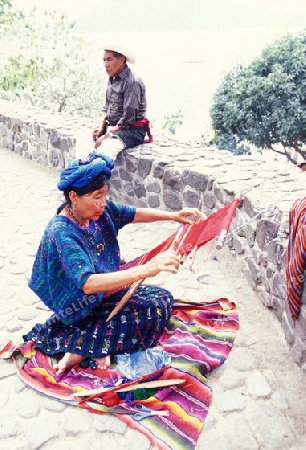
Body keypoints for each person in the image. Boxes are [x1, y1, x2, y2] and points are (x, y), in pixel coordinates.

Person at [23, 153, 203, 374]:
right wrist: (148, 268)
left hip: (104, 293)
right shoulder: (61, 232)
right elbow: (88, 284)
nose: (103, 203)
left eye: (105, 195)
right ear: (74, 196)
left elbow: (132, 214)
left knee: (162, 300)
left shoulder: (99, 211)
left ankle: (93, 344)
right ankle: (83, 347)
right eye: (97, 196)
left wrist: (174, 216)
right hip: (79, 306)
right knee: (146, 315)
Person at [92, 45, 152, 161]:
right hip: (114, 127)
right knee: (85, 140)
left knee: (105, 148)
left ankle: (98, 179)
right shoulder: (112, 79)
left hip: (132, 131)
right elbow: (107, 107)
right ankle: (81, 177)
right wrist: (101, 128)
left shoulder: (132, 82)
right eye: (104, 60)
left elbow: (128, 119)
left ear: (122, 60)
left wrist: (107, 135)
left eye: (109, 59)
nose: (105, 64)